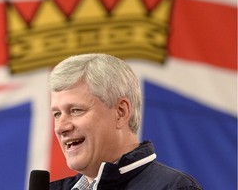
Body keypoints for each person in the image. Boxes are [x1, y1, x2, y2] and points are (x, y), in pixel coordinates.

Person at [48, 53, 202, 190]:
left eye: (76, 110)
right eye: (57, 114)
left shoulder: (176, 187)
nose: (61, 127)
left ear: (121, 112)